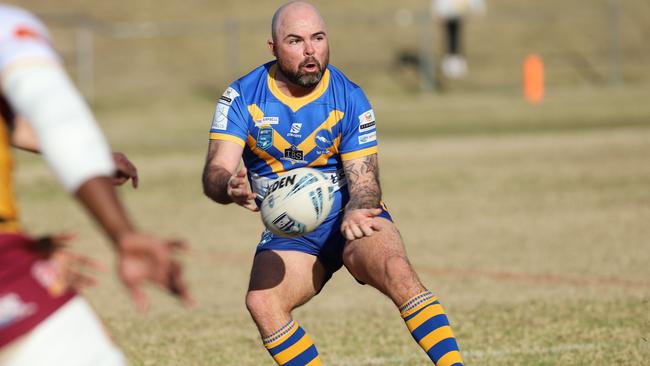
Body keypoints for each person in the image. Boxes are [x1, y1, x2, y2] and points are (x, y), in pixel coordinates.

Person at [202, 1, 463, 365]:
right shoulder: (243, 97)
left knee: (396, 271)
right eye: (295, 41)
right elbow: (216, 170)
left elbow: (366, 181)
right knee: (262, 302)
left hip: (348, 215)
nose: (310, 51)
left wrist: (357, 209)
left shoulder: (348, 97)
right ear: (273, 47)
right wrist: (228, 186)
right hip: (292, 230)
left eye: (318, 38)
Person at [0, 4, 191, 365]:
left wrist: (94, 158)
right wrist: (122, 233)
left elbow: (28, 126)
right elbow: (57, 116)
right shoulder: (6, 27)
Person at [431, 0, 486, 79]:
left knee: (457, 45)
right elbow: (438, 9)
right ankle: (450, 69)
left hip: (461, 21)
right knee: (450, 45)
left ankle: (458, 69)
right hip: (449, 21)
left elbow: (478, 8)